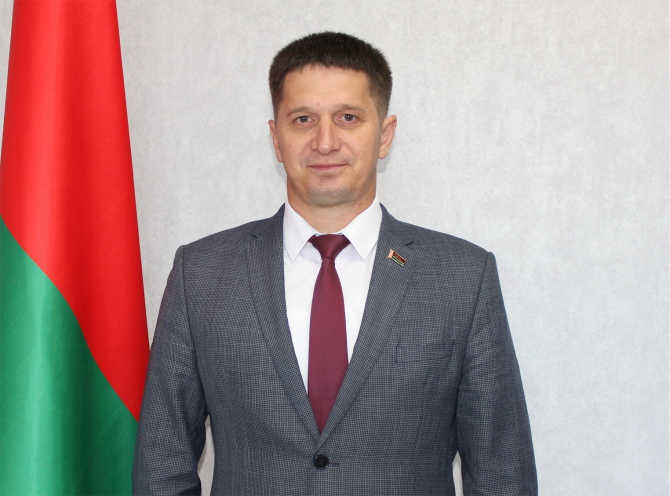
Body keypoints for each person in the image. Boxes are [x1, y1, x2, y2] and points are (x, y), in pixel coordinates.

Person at [133, 31, 538, 495]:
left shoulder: (463, 278)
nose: (325, 142)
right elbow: (161, 468)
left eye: (348, 117)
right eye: (303, 119)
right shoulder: (201, 275)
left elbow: (502, 475)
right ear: (276, 139)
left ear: (385, 135)